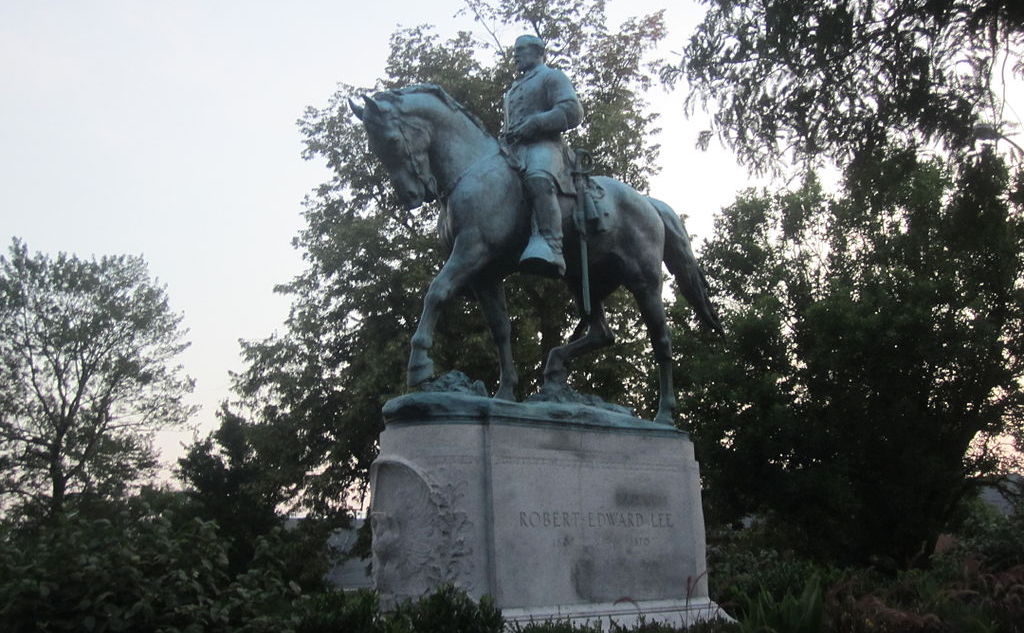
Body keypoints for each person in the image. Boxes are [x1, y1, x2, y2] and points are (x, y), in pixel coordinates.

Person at [502, 34, 584, 277]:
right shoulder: (514, 89)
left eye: (521, 49)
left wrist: (538, 122)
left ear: (538, 51)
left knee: (538, 177)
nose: (515, 55)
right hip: (514, 149)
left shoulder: (552, 76)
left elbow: (572, 110)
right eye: (514, 50)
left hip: (545, 146)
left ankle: (551, 244)